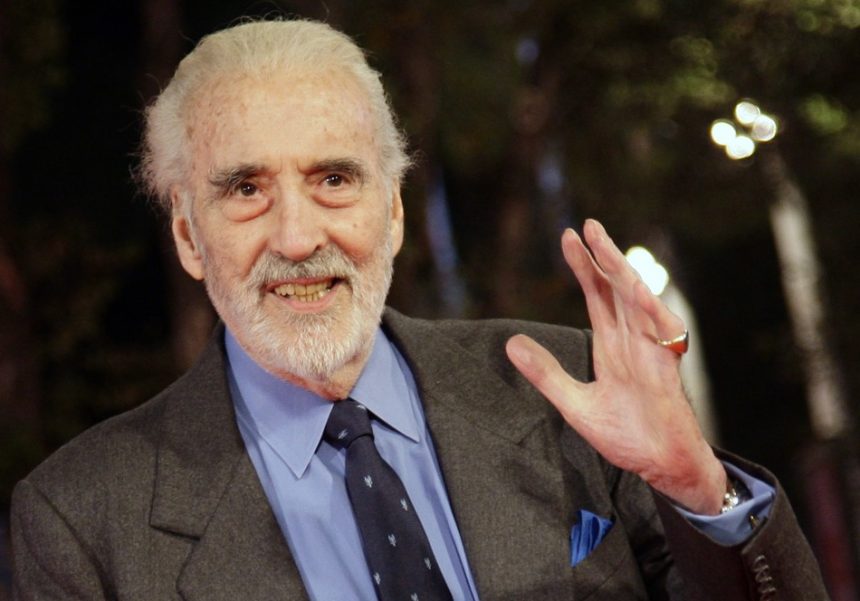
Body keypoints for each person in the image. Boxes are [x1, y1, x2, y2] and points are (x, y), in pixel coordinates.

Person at [10, 18, 828, 601]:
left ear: (394, 211)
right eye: (246, 189)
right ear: (189, 236)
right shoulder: (80, 522)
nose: (297, 237)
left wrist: (697, 490)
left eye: (334, 179)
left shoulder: (571, 390)